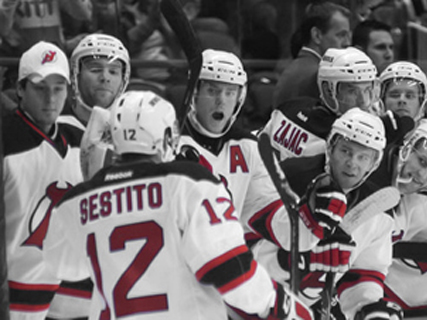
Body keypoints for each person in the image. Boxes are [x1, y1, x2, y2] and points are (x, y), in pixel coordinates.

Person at [42, 90, 314, 320]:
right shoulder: (189, 183)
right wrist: (283, 307)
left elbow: (62, 267)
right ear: (165, 137)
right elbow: (232, 274)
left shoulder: (77, 202)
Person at [253, 108, 403, 320]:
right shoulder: (287, 176)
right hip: (248, 300)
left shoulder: (376, 208)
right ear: (330, 147)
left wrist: (369, 307)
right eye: (346, 151)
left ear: (374, 163)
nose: (352, 163)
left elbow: (366, 271)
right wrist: (296, 259)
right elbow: (242, 240)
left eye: (363, 157)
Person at [2, 41, 88, 320]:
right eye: (40, 88)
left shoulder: (80, 142)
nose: (50, 99)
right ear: (20, 89)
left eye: (58, 88)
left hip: (68, 296)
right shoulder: (5, 141)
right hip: (13, 296)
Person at [364, 118, 427, 315]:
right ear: (407, 146)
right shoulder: (366, 173)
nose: (422, 176)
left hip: (397, 292)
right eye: (422, 161)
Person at [261, 46, 382, 161]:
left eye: (367, 90)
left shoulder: (289, 107)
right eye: (352, 91)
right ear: (328, 91)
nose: (363, 102)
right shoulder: (340, 141)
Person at [272, 1, 351, 107]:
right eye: (341, 35)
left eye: (348, 36)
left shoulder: (299, 67)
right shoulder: (318, 75)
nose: (347, 43)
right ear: (317, 35)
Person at [69, 33, 131, 126]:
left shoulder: (133, 127)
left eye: (113, 72)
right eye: (95, 70)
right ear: (75, 75)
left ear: (124, 80)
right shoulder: (55, 126)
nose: (105, 78)